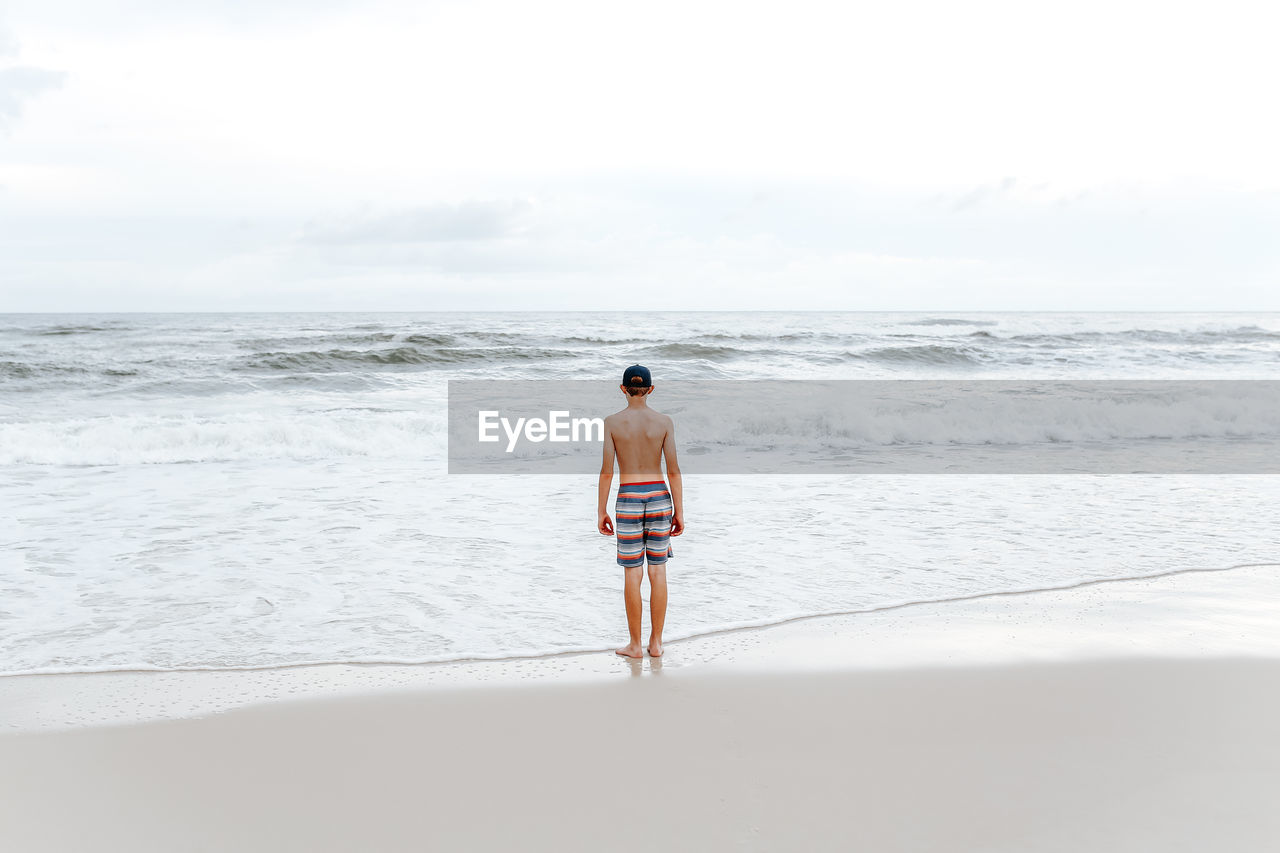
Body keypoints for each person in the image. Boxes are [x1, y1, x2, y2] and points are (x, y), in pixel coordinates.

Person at [597, 364, 685, 658]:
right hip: (660, 497)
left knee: (632, 575)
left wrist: (602, 510)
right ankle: (656, 643)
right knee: (658, 572)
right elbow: (673, 471)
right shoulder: (664, 422)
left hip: (629, 498)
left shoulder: (612, 422)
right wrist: (679, 511)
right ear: (650, 389)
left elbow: (607, 472)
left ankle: (635, 646)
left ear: (623, 388)